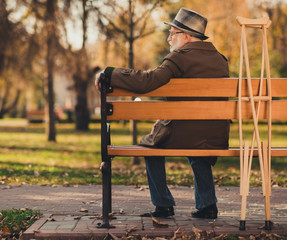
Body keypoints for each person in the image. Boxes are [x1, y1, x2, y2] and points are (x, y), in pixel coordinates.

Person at [95, 8, 230, 219]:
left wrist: (111, 72)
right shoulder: (220, 59)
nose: (168, 38)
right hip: (214, 134)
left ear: (186, 36)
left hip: (185, 130)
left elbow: (147, 82)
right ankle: (207, 205)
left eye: (173, 33)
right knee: (199, 144)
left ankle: (163, 204)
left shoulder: (179, 56)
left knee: (149, 145)